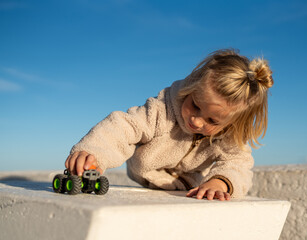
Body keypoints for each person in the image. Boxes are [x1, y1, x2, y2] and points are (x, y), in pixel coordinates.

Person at [65, 49, 274, 201]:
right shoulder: (162, 110)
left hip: (185, 185)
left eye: (212, 121)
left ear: (230, 124)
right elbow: (124, 126)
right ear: (191, 87)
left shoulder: (227, 135)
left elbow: (237, 163)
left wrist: (220, 183)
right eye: (195, 105)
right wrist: (94, 152)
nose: (196, 120)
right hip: (145, 171)